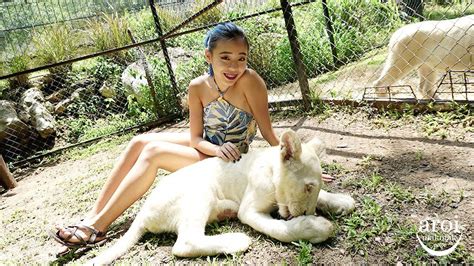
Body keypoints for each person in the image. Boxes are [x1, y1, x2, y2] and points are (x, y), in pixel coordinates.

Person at [51, 22, 334, 248]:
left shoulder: (251, 82)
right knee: (138, 142)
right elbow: (195, 138)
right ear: (208, 57)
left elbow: (268, 131)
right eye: (225, 58)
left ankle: (96, 228)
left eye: (241, 58)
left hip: (231, 157)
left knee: (152, 153)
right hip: (207, 149)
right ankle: (94, 216)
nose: (234, 66)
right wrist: (214, 149)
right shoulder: (197, 86)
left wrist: (297, 166)